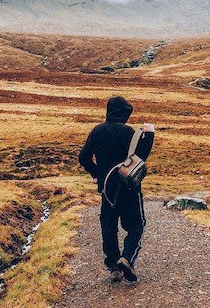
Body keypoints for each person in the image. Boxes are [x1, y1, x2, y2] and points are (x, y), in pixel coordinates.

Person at [78, 96, 155, 283]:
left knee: (109, 225)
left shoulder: (97, 131)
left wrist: (96, 174)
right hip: (130, 187)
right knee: (136, 225)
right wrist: (150, 134)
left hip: (107, 190)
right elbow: (140, 158)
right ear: (124, 113)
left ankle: (114, 266)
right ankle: (126, 258)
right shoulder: (130, 133)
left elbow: (83, 157)